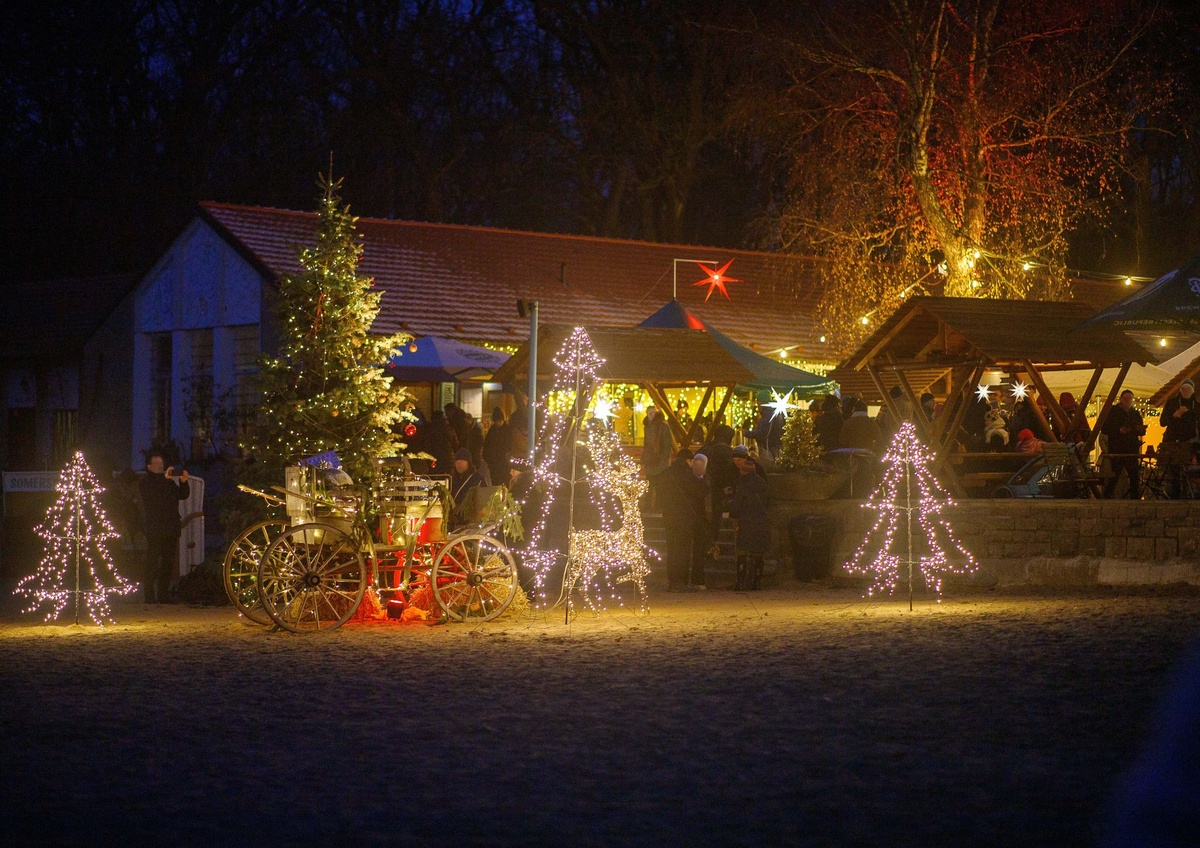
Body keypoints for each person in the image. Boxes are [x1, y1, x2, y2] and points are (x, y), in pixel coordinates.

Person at [138, 452, 189, 604]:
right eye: (157, 464)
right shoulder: (146, 483)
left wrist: (183, 482)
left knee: (168, 562)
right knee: (152, 562)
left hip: (170, 526)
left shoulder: (168, 483)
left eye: (162, 464)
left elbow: (182, 495)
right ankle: (149, 595)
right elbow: (152, 496)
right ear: (149, 467)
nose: (161, 467)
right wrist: (164, 478)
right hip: (155, 528)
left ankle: (163, 594)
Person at [661, 449, 707, 592]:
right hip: (684, 518)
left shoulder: (666, 472)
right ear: (688, 460)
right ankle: (680, 581)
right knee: (682, 550)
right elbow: (700, 491)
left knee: (672, 549)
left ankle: (672, 581)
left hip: (669, 517)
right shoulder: (687, 475)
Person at [730, 445, 770, 590]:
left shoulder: (742, 486)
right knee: (758, 554)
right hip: (761, 522)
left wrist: (733, 517)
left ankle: (741, 583)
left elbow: (736, 506)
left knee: (742, 552)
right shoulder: (762, 484)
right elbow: (767, 501)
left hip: (746, 522)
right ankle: (756, 583)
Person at [1159, 379, 1198, 498]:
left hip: (1190, 443)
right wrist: (1174, 416)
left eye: (1188, 390)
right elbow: (1162, 422)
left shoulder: (1196, 405)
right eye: (1183, 389)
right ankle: (1174, 495)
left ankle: (1189, 494)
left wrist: (1190, 413)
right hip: (1172, 441)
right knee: (1173, 469)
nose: (1186, 392)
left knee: (1190, 470)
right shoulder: (1171, 403)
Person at [1103, 390, 1146, 499]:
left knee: (1134, 476)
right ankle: (1106, 497)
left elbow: (1140, 430)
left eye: (1130, 399)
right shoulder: (1113, 412)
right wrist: (1118, 430)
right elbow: (1105, 428)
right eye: (1125, 399)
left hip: (1131, 448)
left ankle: (1135, 499)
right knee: (1115, 475)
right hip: (1117, 448)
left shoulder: (1135, 413)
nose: (1127, 401)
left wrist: (1140, 429)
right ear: (1121, 399)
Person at [688, 453, 713, 590]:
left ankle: (698, 579)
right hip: (692, 517)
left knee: (699, 550)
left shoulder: (707, 480)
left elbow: (709, 500)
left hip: (702, 518)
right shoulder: (689, 479)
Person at [640, 405, 673, 511]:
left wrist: (663, 459)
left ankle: (658, 507)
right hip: (651, 460)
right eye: (648, 413)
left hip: (659, 461)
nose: (650, 415)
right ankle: (650, 507)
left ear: (656, 414)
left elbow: (667, 444)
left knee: (659, 486)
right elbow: (646, 444)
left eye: (652, 413)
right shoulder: (647, 426)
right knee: (650, 485)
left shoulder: (663, 426)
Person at [449, 448, 486, 527]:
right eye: (457, 462)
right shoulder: (451, 480)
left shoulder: (478, 479)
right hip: (454, 521)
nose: (459, 465)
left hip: (472, 521)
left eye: (462, 462)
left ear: (468, 463)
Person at [482, 407, 513, 485]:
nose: (498, 423)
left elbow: (509, 446)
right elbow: (487, 445)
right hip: (494, 464)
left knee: (504, 482)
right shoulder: (492, 431)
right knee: (495, 483)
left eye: (500, 421)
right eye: (496, 421)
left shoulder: (508, 431)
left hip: (504, 463)